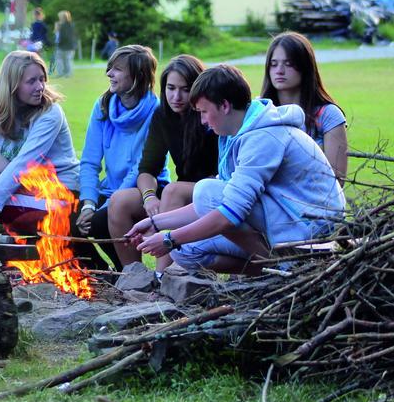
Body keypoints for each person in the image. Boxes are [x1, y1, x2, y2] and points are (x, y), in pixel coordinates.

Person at [130, 65, 346, 275]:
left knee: (205, 191)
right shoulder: (233, 136)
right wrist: (154, 223)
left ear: (224, 106)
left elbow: (229, 212)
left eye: (204, 112)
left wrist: (170, 238)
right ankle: (269, 271)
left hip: (312, 231)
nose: (203, 121)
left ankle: (289, 268)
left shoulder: (264, 137)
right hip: (285, 223)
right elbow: (213, 205)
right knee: (185, 251)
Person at [0, 50, 79, 242]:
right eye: (31, 81)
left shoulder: (50, 113)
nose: (40, 87)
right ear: (12, 85)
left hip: (60, 196)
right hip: (22, 189)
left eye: (42, 79)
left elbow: (24, 165)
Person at [107, 55, 218, 270]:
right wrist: (149, 198)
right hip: (180, 193)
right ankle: (134, 275)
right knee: (120, 200)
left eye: (185, 89)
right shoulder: (163, 116)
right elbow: (147, 169)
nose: (176, 96)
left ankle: (162, 277)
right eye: (171, 88)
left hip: (211, 191)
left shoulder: (208, 116)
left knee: (172, 191)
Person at [76, 45, 167, 270]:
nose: (109, 74)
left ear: (137, 77)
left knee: (99, 221)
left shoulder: (157, 112)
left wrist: (104, 207)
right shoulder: (103, 106)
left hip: (145, 189)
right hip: (111, 189)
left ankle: (131, 272)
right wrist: (88, 202)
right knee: (70, 216)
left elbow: (141, 168)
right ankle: (102, 272)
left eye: (116, 69)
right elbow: (89, 161)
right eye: (110, 68)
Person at [261, 32, 348, 182]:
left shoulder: (328, 115)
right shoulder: (262, 113)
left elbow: (337, 180)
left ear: (305, 67)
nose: (279, 70)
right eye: (273, 64)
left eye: (288, 64)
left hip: (314, 201)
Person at [54, 11, 77, 78]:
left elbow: (60, 36)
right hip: (70, 46)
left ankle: (63, 73)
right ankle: (67, 73)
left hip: (64, 45)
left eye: (60, 17)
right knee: (66, 60)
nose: (59, 18)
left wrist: (57, 28)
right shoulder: (72, 25)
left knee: (62, 60)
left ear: (63, 17)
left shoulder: (62, 26)